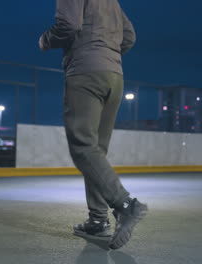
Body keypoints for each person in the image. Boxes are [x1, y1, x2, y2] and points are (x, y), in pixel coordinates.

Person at [39, 0, 148, 250]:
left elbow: (68, 24)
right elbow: (129, 36)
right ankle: (98, 219)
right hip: (114, 77)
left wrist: (45, 40)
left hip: (85, 72)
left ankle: (125, 205)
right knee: (96, 150)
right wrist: (107, 52)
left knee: (83, 148)